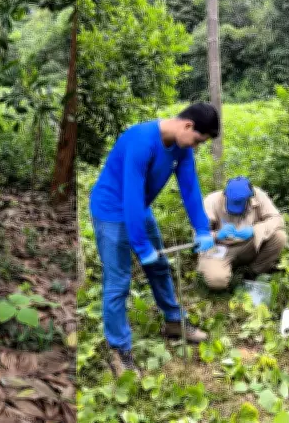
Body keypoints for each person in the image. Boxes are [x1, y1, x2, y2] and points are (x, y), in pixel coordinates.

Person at [89, 103, 219, 377]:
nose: (196, 147)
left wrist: (202, 228)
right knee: (118, 283)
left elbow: (190, 188)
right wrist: (140, 245)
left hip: (139, 209)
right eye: (198, 140)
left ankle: (174, 322)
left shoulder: (182, 148)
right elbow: (131, 195)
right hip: (111, 210)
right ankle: (119, 349)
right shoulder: (141, 141)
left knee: (159, 267)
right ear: (187, 126)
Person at [198, 176, 287, 290]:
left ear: (249, 198)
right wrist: (217, 234)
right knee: (217, 281)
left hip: (248, 244)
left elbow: (277, 220)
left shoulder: (258, 196)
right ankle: (226, 277)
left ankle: (253, 272)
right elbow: (199, 237)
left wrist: (254, 230)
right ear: (225, 194)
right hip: (219, 248)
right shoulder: (211, 201)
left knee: (279, 237)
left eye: (240, 203)